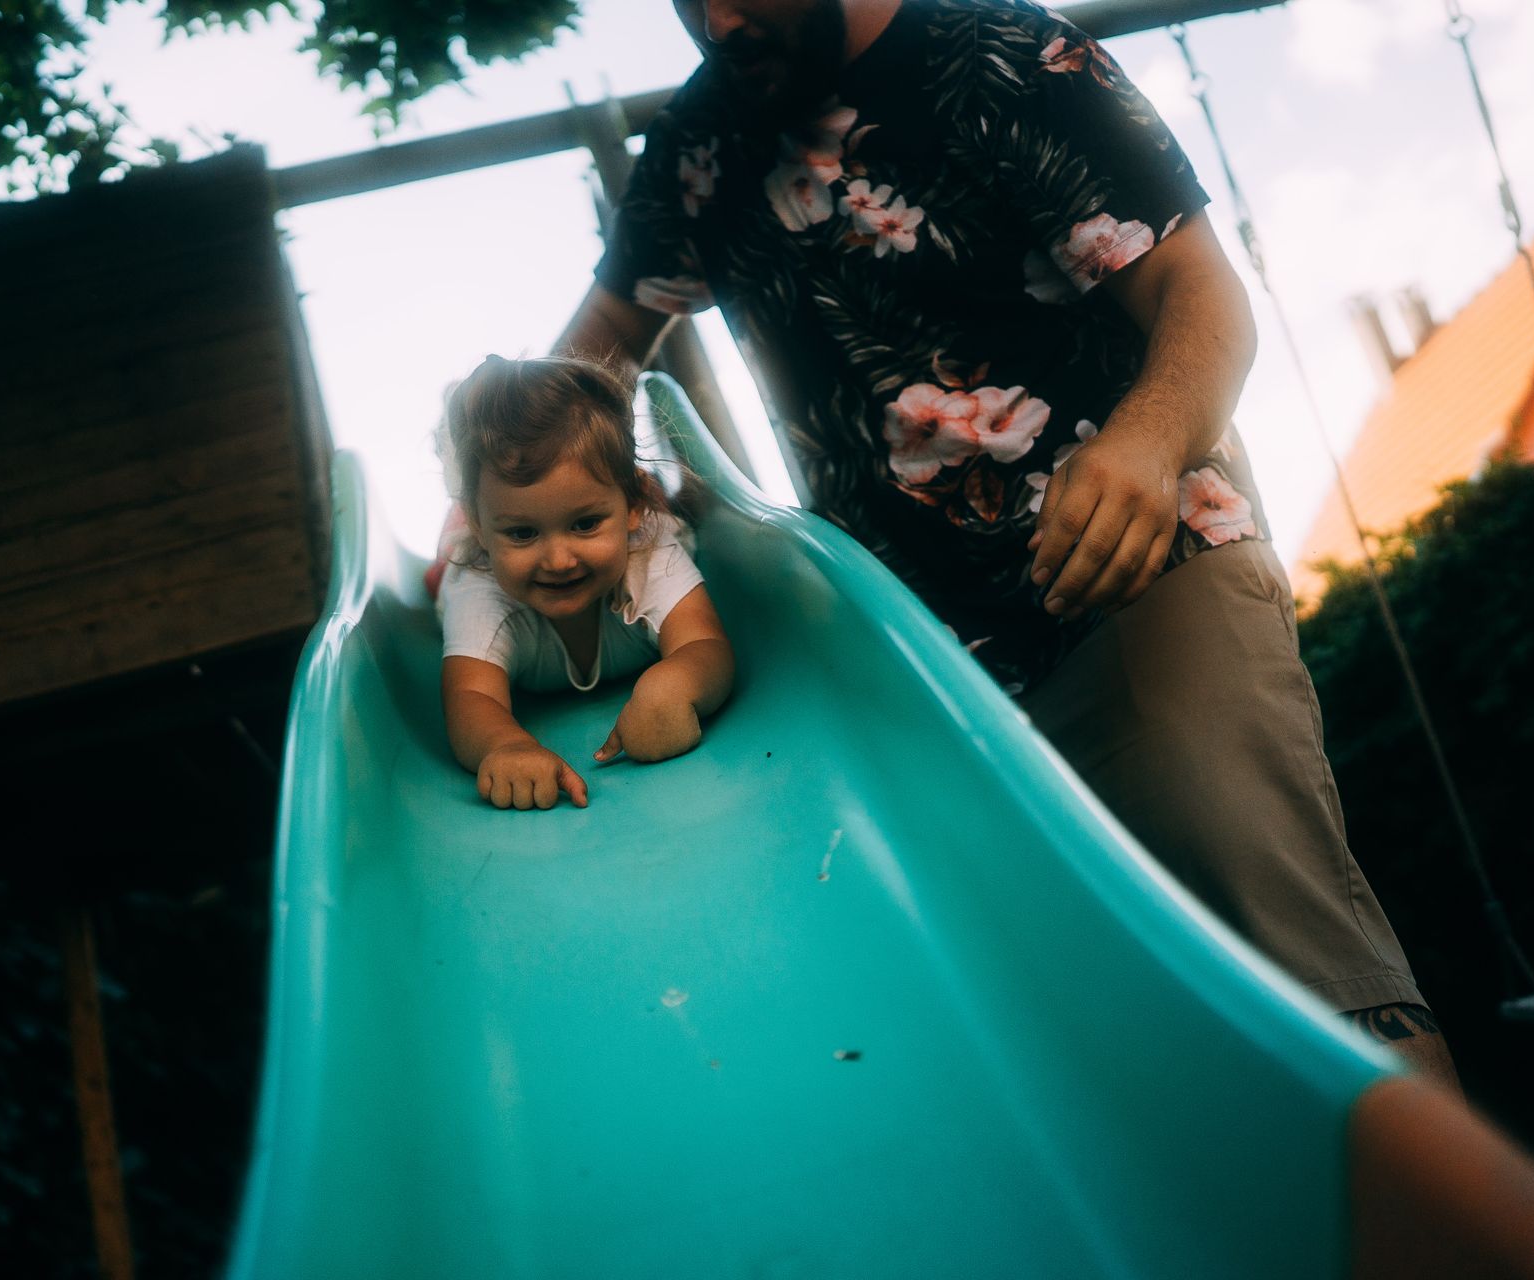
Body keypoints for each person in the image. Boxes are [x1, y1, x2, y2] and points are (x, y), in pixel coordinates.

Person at [558, 0, 1458, 1083]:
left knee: (1309, 986)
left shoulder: (1009, 57)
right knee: (1082, 1057)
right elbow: (596, 356)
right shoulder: (702, 140)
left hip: (1138, 576)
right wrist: (499, 505)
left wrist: (1146, 442)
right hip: (919, 670)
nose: (719, 19)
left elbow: (1204, 293)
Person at [436, 354, 736, 811]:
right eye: (523, 533)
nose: (559, 560)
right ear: (483, 530)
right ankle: (458, 515)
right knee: (446, 567)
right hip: (467, 552)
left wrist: (676, 684)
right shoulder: (481, 591)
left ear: (633, 507)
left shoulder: (647, 552)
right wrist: (505, 745)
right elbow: (469, 697)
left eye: (585, 524)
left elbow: (705, 643)